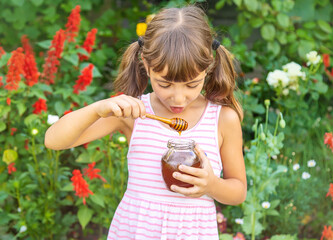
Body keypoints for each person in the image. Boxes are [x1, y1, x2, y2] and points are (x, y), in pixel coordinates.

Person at [45, 5, 246, 239]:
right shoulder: (134, 113)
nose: (178, 98)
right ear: (146, 65)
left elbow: (238, 191)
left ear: (208, 67)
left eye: (191, 85)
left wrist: (211, 184)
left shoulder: (222, 119)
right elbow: (53, 140)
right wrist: (97, 109)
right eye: (165, 84)